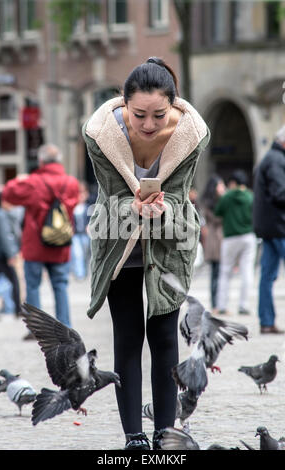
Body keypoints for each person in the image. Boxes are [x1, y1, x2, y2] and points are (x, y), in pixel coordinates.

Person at [82, 57, 210, 450]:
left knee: (165, 338)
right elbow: (109, 196)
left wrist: (163, 209)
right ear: (124, 104)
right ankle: (134, 436)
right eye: (139, 115)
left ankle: (165, 434)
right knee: (127, 336)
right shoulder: (100, 133)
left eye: (158, 114)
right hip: (117, 241)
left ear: (173, 105)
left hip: (168, 243)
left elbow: (180, 195)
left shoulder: (193, 134)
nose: (149, 124)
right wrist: (132, 209)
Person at [2, 144, 79, 335]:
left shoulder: (33, 182)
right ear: (59, 160)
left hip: (35, 244)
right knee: (60, 285)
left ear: (41, 161)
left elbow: (8, 194)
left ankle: (38, 330)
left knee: (33, 286)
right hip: (61, 243)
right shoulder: (71, 182)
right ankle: (65, 326)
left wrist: (21, 178)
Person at [253, 124, 285, 334]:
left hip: (268, 226)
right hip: (279, 225)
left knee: (267, 275)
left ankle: (266, 321)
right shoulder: (277, 160)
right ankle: (266, 320)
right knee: (267, 275)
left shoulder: (271, 158)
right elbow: (281, 193)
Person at [214, 169, 256, 316]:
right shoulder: (251, 196)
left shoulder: (227, 196)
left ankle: (222, 305)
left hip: (230, 237)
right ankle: (243, 305)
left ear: (232, 183)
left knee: (225, 272)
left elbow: (218, 212)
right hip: (248, 236)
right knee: (247, 271)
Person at [200, 174, 226, 313]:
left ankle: (220, 304)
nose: (223, 188)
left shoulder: (220, 200)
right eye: (220, 185)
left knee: (222, 273)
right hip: (214, 240)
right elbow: (216, 219)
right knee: (216, 273)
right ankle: (215, 304)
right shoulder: (211, 202)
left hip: (220, 238)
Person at [0, 191, 21, 317]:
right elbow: (4, 236)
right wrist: (11, 254)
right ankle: (18, 309)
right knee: (14, 281)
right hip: (1, 255)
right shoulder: (0, 215)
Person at [70, 181, 95, 280]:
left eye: (83, 192)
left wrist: (89, 225)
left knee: (85, 254)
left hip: (86, 234)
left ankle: (84, 272)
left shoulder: (89, 207)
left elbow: (93, 219)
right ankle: (79, 274)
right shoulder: (73, 207)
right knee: (77, 253)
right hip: (76, 234)